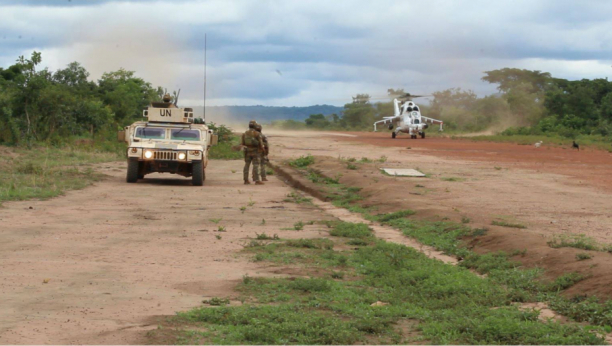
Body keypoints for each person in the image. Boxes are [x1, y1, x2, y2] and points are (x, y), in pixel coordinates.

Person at [241, 120, 265, 185]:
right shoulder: (257, 134)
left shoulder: (245, 133)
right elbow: (261, 144)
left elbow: (242, 143)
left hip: (247, 151)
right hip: (255, 152)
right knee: (256, 165)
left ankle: (246, 180)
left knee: (246, 165)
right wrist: (263, 151)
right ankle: (257, 180)